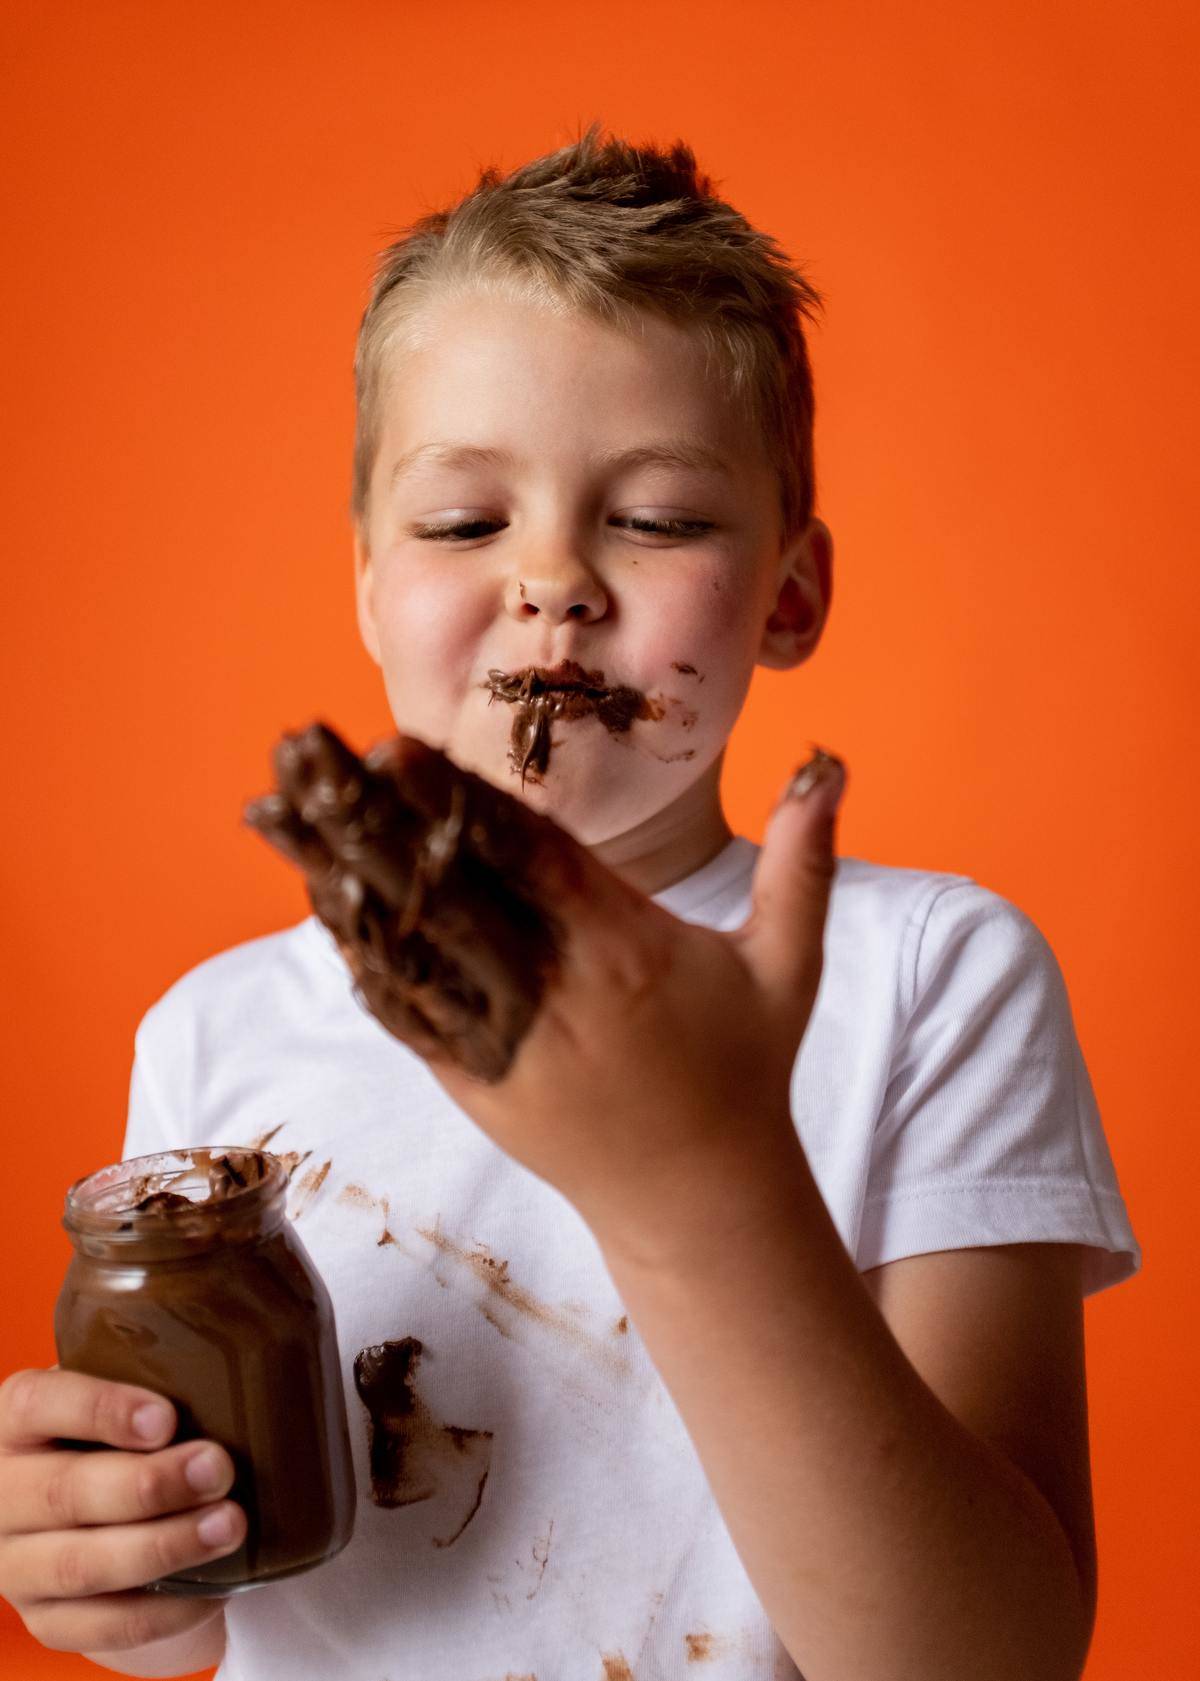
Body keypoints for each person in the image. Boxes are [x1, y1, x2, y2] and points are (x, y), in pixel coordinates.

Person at [0, 124, 1140, 1681]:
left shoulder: (933, 977)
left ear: (788, 593)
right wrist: (117, 1561)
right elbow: (222, 1615)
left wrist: (701, 1176)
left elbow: (988, 1659)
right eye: (467, 521)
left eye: (656, 519)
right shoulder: (210, 1038)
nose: (554, 581)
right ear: (366, 587)